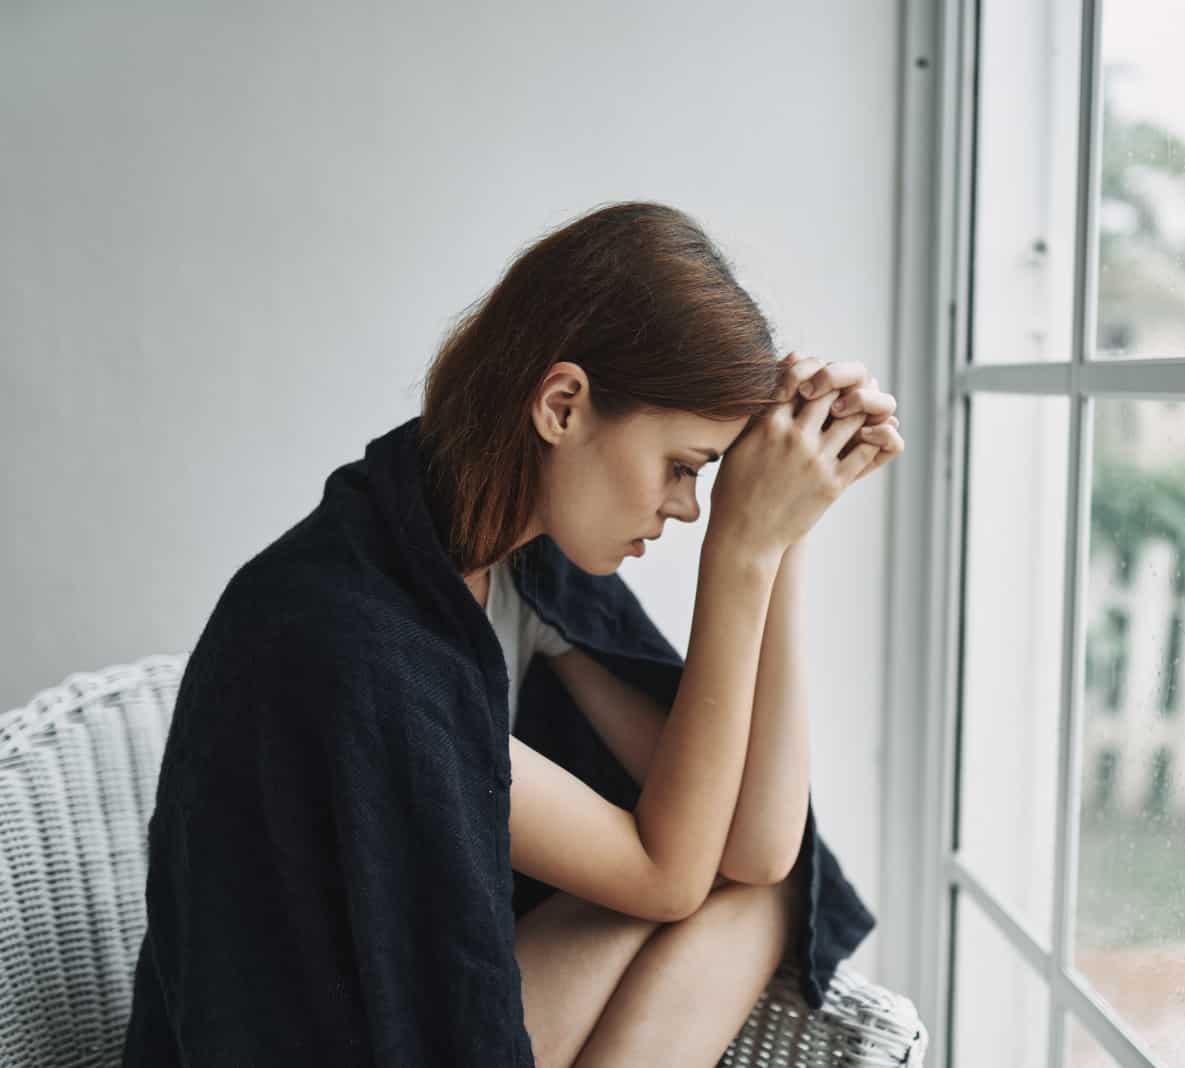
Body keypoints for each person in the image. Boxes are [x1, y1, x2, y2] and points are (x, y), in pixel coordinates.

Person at [120, 200, 905, 1067]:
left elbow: (757, 850)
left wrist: (782, 532)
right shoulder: (358, 643)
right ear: (563, 405)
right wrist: (740, 554)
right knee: (690, 884)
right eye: (683, 468)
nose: (687, 507)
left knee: (762, 897)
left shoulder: (517, 556)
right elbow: (666, 873)